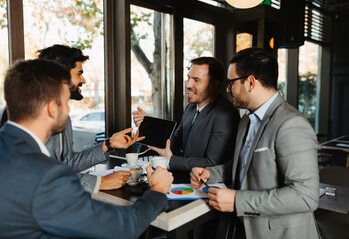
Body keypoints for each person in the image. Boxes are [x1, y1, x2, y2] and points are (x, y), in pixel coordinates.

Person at [0, 59, 173, 238]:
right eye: (66, 101)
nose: (68, 109)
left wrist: (108, 144)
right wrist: (157, 191)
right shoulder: (46, 177)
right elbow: (122, 228)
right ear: (52, 109)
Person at [190, 48, 320, 239]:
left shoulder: (292, 124)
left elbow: (305, 196)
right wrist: (211, 173)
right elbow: (245, 166)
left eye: (230, 83)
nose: (227, 90)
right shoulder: (246, 120)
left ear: (250, 82)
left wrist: (237, 201)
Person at [0, 44, 133, 193]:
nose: (83, 80)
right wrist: (99, 182)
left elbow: (68, 163)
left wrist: (108, 144)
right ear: (60, 75)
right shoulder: (29, 114)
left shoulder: (62, 116)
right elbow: (41, 176)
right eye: (79, 73)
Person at [133, 57, 240, 172]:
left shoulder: (226, 114)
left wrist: (171, 160)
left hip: (205, 185)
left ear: (214, 85)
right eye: (189, 78)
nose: (188, 85)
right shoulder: (191, 107)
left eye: (196, 80)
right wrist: (148, 124)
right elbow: (173, 142)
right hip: (182, 179)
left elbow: (212, 163)